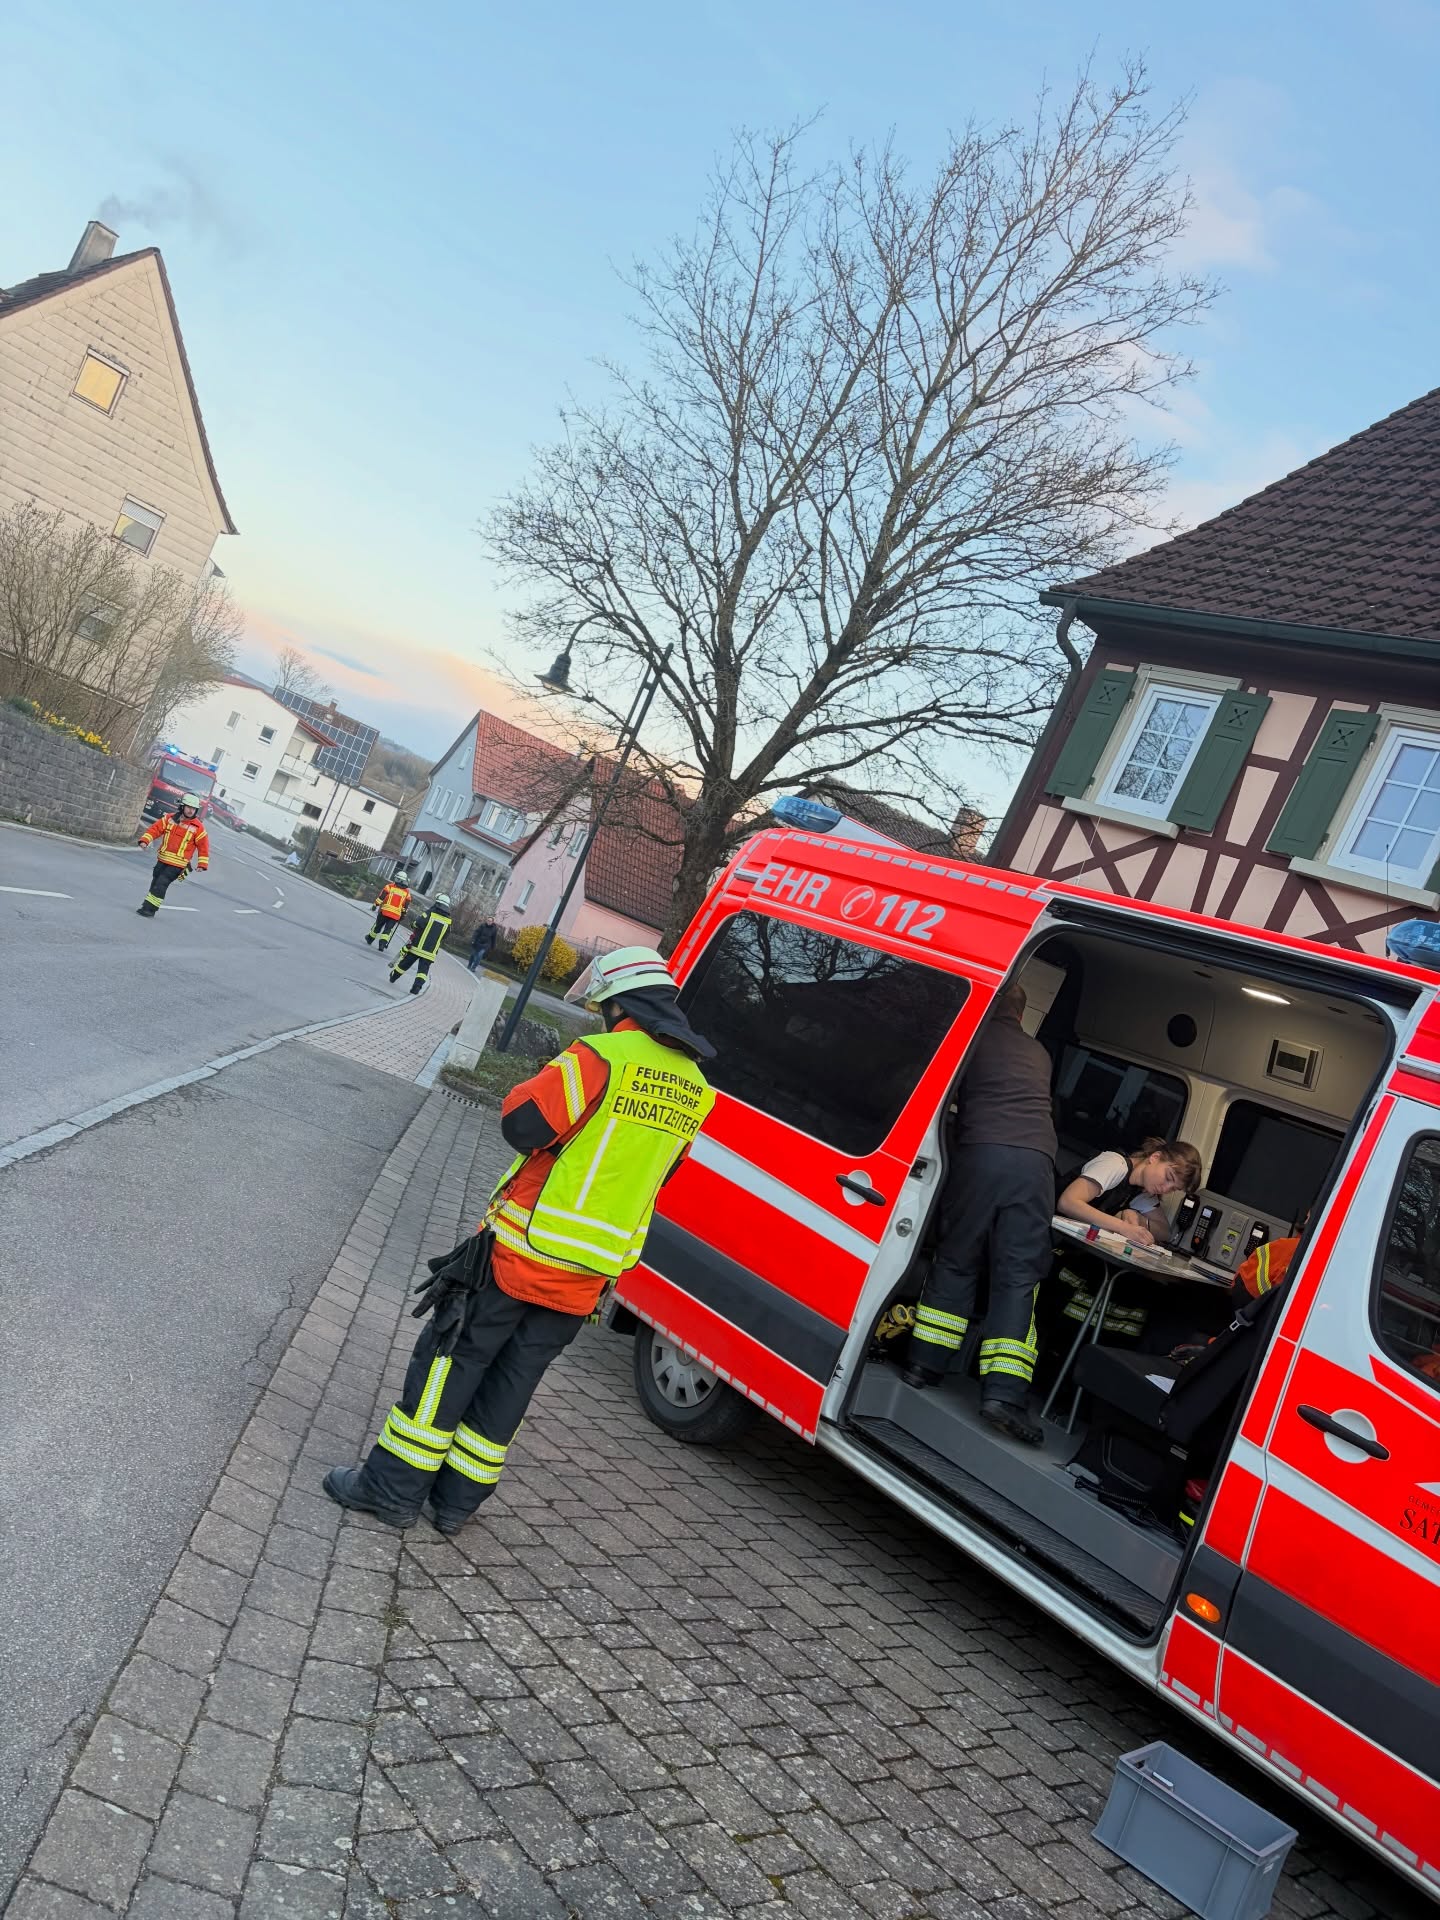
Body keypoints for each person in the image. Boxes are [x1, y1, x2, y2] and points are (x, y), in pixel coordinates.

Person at [324, 946, 717, 1533]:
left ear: (617, 1002)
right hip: (591, 1273)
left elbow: (522, 1126)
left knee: (450, 1360)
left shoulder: (602, 1056)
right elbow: (663, 1173)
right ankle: (455, 1505)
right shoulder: (696, 1087)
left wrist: (535, 1086)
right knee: (514, 1380)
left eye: (601, 1003)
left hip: (520, 1250)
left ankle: (391, 1488)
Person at [898, 983, 1059, 1445]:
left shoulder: (970, 1037)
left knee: (957, 1257)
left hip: (981, 1156)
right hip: (1035, 1167)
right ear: (1022, 1015)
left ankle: (922, 1366)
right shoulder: (1038, 1053)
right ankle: (1003, 1396)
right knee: (1017, 1276)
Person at [1053, 1138, 1203, 1347]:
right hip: (1050, 1240)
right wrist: (1122, 1226)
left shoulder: (1141, 1190)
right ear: (1155, 1157)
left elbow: (1164, 1232)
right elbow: (1068, 1202)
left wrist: (1134, 1215)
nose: (1164, 1188)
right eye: (1168, 1177)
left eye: (1172, 1189)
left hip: (1072, 1247)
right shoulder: (1115, 1165)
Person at [136, 794, 209, 916]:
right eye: (188, 807)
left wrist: (202, 864)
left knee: (161, 883)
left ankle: (148, 909)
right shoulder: (169, 819)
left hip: (178, 864)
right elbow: (155, 829)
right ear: (182, 807)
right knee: (155, 882)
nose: (191, 810)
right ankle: (149, 906)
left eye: (193, 808)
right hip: (162, 859)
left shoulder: (198, 827)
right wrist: (145, 840)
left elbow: (203, 846)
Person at [389, 892, 451, 993]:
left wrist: (413, 924)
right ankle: (417, 987)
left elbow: (417, 923)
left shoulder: (429, 913)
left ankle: (393, 977)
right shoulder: (448, 921)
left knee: (405, 963)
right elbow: (445, 936)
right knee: (423, 971)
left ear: (437, 903)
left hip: (417, 947)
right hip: (430, 952)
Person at [366, 870, 411, 950]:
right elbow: (406, 906)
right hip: (395, 916)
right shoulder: (407, 893)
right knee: (388, 930)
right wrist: (403, 915)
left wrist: (375, 905)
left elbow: (381, 897)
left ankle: (370, 939)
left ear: (397, 879)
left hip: (384, 912)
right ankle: (382, 945)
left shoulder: (389, 886)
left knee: (377, 926)